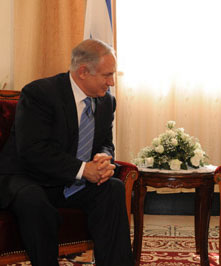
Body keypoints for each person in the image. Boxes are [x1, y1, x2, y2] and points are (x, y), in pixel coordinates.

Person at [0, 39, 134, 266]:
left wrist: (103, 157)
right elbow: (32, 150)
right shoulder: (40, 94)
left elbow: (105, 142)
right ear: (83, 72)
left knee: (112, 189)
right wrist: (83, 170)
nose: (111, 82)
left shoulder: (106, 102)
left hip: (69, 181)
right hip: (27, 177)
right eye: (106, 75)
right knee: (34, 201)